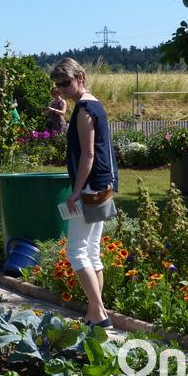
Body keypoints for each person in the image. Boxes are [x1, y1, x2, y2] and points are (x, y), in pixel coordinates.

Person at [52, 58, 119, 328]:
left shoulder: (84, 110)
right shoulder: (95, 103)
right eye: (58, 85)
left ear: (80, 77)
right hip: (104, 183)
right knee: (92, 251)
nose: (62, 88)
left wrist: (76, 191)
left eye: (66, 82)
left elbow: (88, 154)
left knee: (76, 251)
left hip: (90, 185)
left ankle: (100, 313)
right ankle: (94, 314)